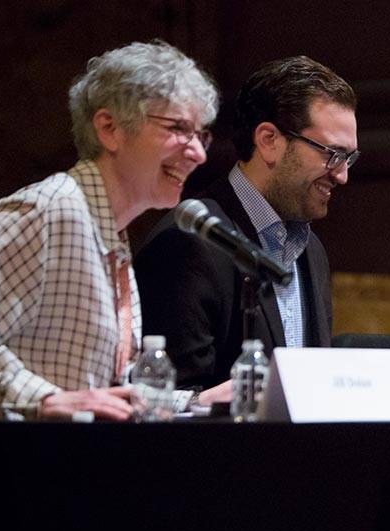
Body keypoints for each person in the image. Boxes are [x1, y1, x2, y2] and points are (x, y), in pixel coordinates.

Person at [0, 41, 218, 531]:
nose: (198, 152)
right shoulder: (49, 210)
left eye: (201, 133)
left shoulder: (113, 235)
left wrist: (195, 403)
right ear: (109, 129)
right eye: (177, 129)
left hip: (51, 521)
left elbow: (100, 396)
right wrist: (45, 398)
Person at [136, 56, 356, 393]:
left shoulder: (312, 250)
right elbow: (165, 401)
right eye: (332, 153)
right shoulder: (189, 242)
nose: (342, 175)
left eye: (349, 158)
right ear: (268, 140)